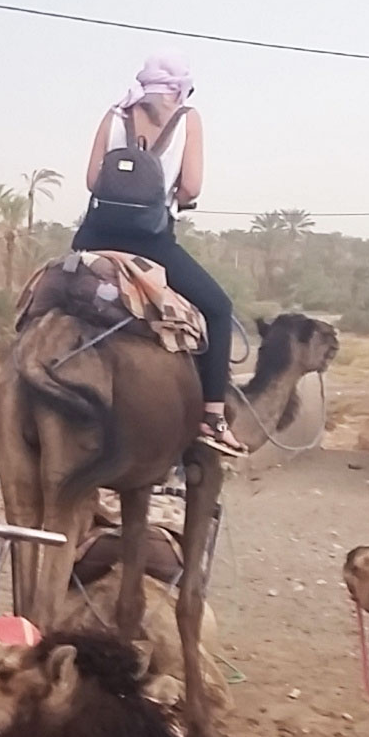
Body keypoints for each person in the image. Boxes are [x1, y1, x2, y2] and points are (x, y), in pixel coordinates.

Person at [71, 54, 247, 458]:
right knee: (219, 309)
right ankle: (213, 418)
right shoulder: (188, 118)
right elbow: (191, 188)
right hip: (151, 243)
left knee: (48, 297)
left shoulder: (114, 113)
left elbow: (92, 180)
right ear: (179, 87)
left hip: (92, 237)